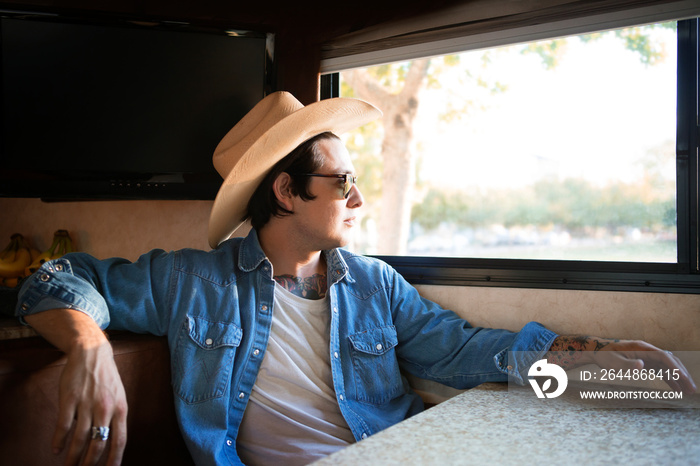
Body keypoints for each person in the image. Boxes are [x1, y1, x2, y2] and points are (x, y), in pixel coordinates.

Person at [15, 91, 696, 466]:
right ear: (286, 192)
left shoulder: (374, 285)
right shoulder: (192, 281)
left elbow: (472, 354)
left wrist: (610, 367)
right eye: (342, 183)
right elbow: (54, 276)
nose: (360, 200)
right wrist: (89, 347)